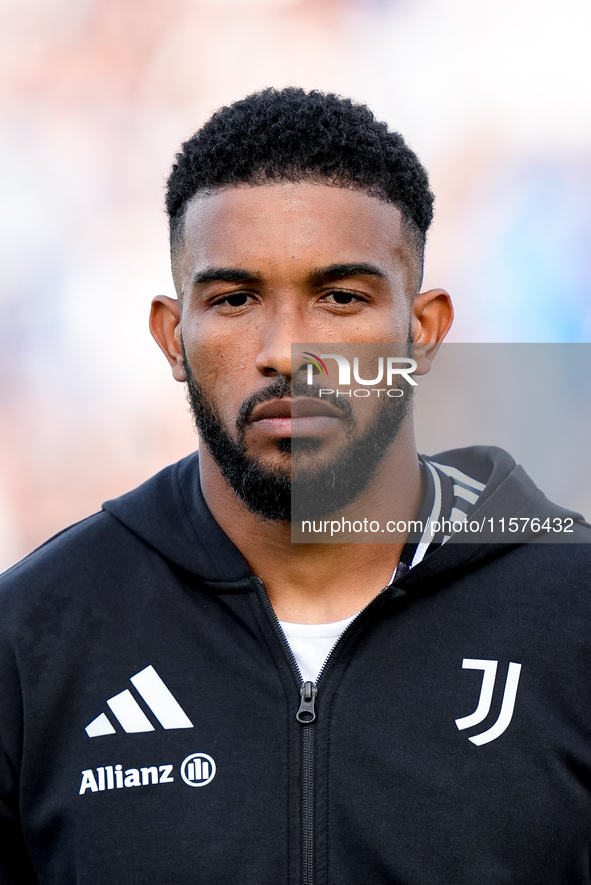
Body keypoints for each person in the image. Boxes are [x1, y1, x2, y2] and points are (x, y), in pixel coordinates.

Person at [0, 88, 590, 885]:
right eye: (236, 299)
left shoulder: (571, 613)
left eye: (340, 298)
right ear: (174, 337)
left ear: (422, 331)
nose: (285, 349)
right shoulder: (34, 639)